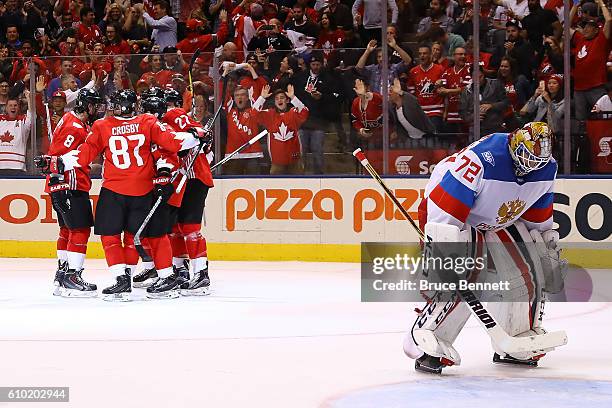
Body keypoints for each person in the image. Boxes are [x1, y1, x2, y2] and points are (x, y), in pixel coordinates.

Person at [405, 122, 567, 373]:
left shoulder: (547, 168)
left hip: (498, 219)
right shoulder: (480, 160)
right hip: (454, 215)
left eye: (537, 160)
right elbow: (444, 209)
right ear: (515, 146)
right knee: (464, 273)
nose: (531, 166)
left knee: (527, 271)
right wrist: (442, 252)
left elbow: (537, 213)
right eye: (527, 157)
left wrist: (544, 243)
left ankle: (519, 333)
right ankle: (429, 336)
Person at [49, 89, 207, 301]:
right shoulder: (148, 122)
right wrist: (196, 136)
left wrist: (58, 162)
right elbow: (173, 142)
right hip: (143, 190)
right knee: (147, 235)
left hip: (114, 191)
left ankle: (121, 280)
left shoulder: (101, 126)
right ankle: (167, 277)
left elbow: (84, 155)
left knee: (110, 236)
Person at [133, 88, 214, 296]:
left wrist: (199, 140)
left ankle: (201, 274)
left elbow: (201, 134)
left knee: (190, 227)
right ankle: (180, 270)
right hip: (176, 179)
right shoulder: (151, 124)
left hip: (193, 176)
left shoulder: (174, 115)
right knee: (175, 228)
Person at [36, 89, 103, 297]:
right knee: (80, 230)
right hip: (69, 184)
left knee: (67, 230)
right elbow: (58, 156)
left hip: (60, 185)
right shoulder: (75, 127)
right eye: (94, 105)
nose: (96, 109)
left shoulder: (70, 119)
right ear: (87, 105)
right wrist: (61, 183)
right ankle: (73, 276)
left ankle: (63, 274)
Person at [256, 84, 309, 174]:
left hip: (295, 162)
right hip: (277, 164)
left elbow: (304, 111)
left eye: (282, 98)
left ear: (287, 100)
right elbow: (254, 114)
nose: (279, 100)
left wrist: (293, 97)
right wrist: (262, 98)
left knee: (299, 186)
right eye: (276, 98)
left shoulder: (293, 113)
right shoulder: (270, 115)